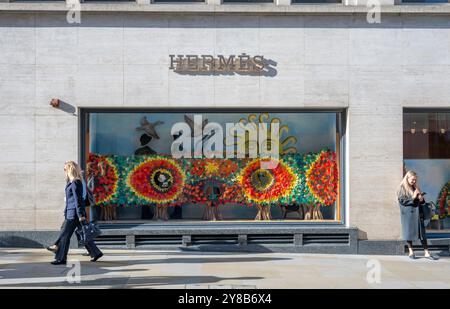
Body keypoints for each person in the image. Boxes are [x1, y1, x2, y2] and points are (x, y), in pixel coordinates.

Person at [50, 161, 103, 265]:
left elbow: (77, 200)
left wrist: (80, 215)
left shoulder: (76, 182)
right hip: (71, 212)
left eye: (65, 169)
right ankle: (96, 253)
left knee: (65, 235)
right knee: (83, 233)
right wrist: (65, 211)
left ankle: (61, 258)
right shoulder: (71, 182)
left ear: (70, 169)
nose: (64, 171)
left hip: (74, 214)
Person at [397, 170, 438, 260]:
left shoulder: (415, 187)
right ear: (407, 178)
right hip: (408, 214)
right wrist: (413, 197)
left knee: (423, 233)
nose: (414, 181)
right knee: (409, 233)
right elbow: (402, 201)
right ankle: (411, 251)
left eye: (415, 180)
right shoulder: (402, 188)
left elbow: (421, 201)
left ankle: (426, 253)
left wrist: (421, 198)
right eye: (412, 179)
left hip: (418, 213)